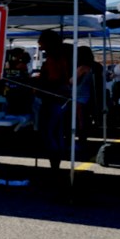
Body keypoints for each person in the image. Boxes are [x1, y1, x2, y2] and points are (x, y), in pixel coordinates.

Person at [34, 30, 71, 169]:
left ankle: (54, 164)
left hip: (53, 99)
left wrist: (39, 83)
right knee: (56, 132)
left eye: (41, 40)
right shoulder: (59, 56)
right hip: (59, 99)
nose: (39, 43)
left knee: (50, 132)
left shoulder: (54, 58)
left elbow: (54, 79)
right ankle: (56, 163)